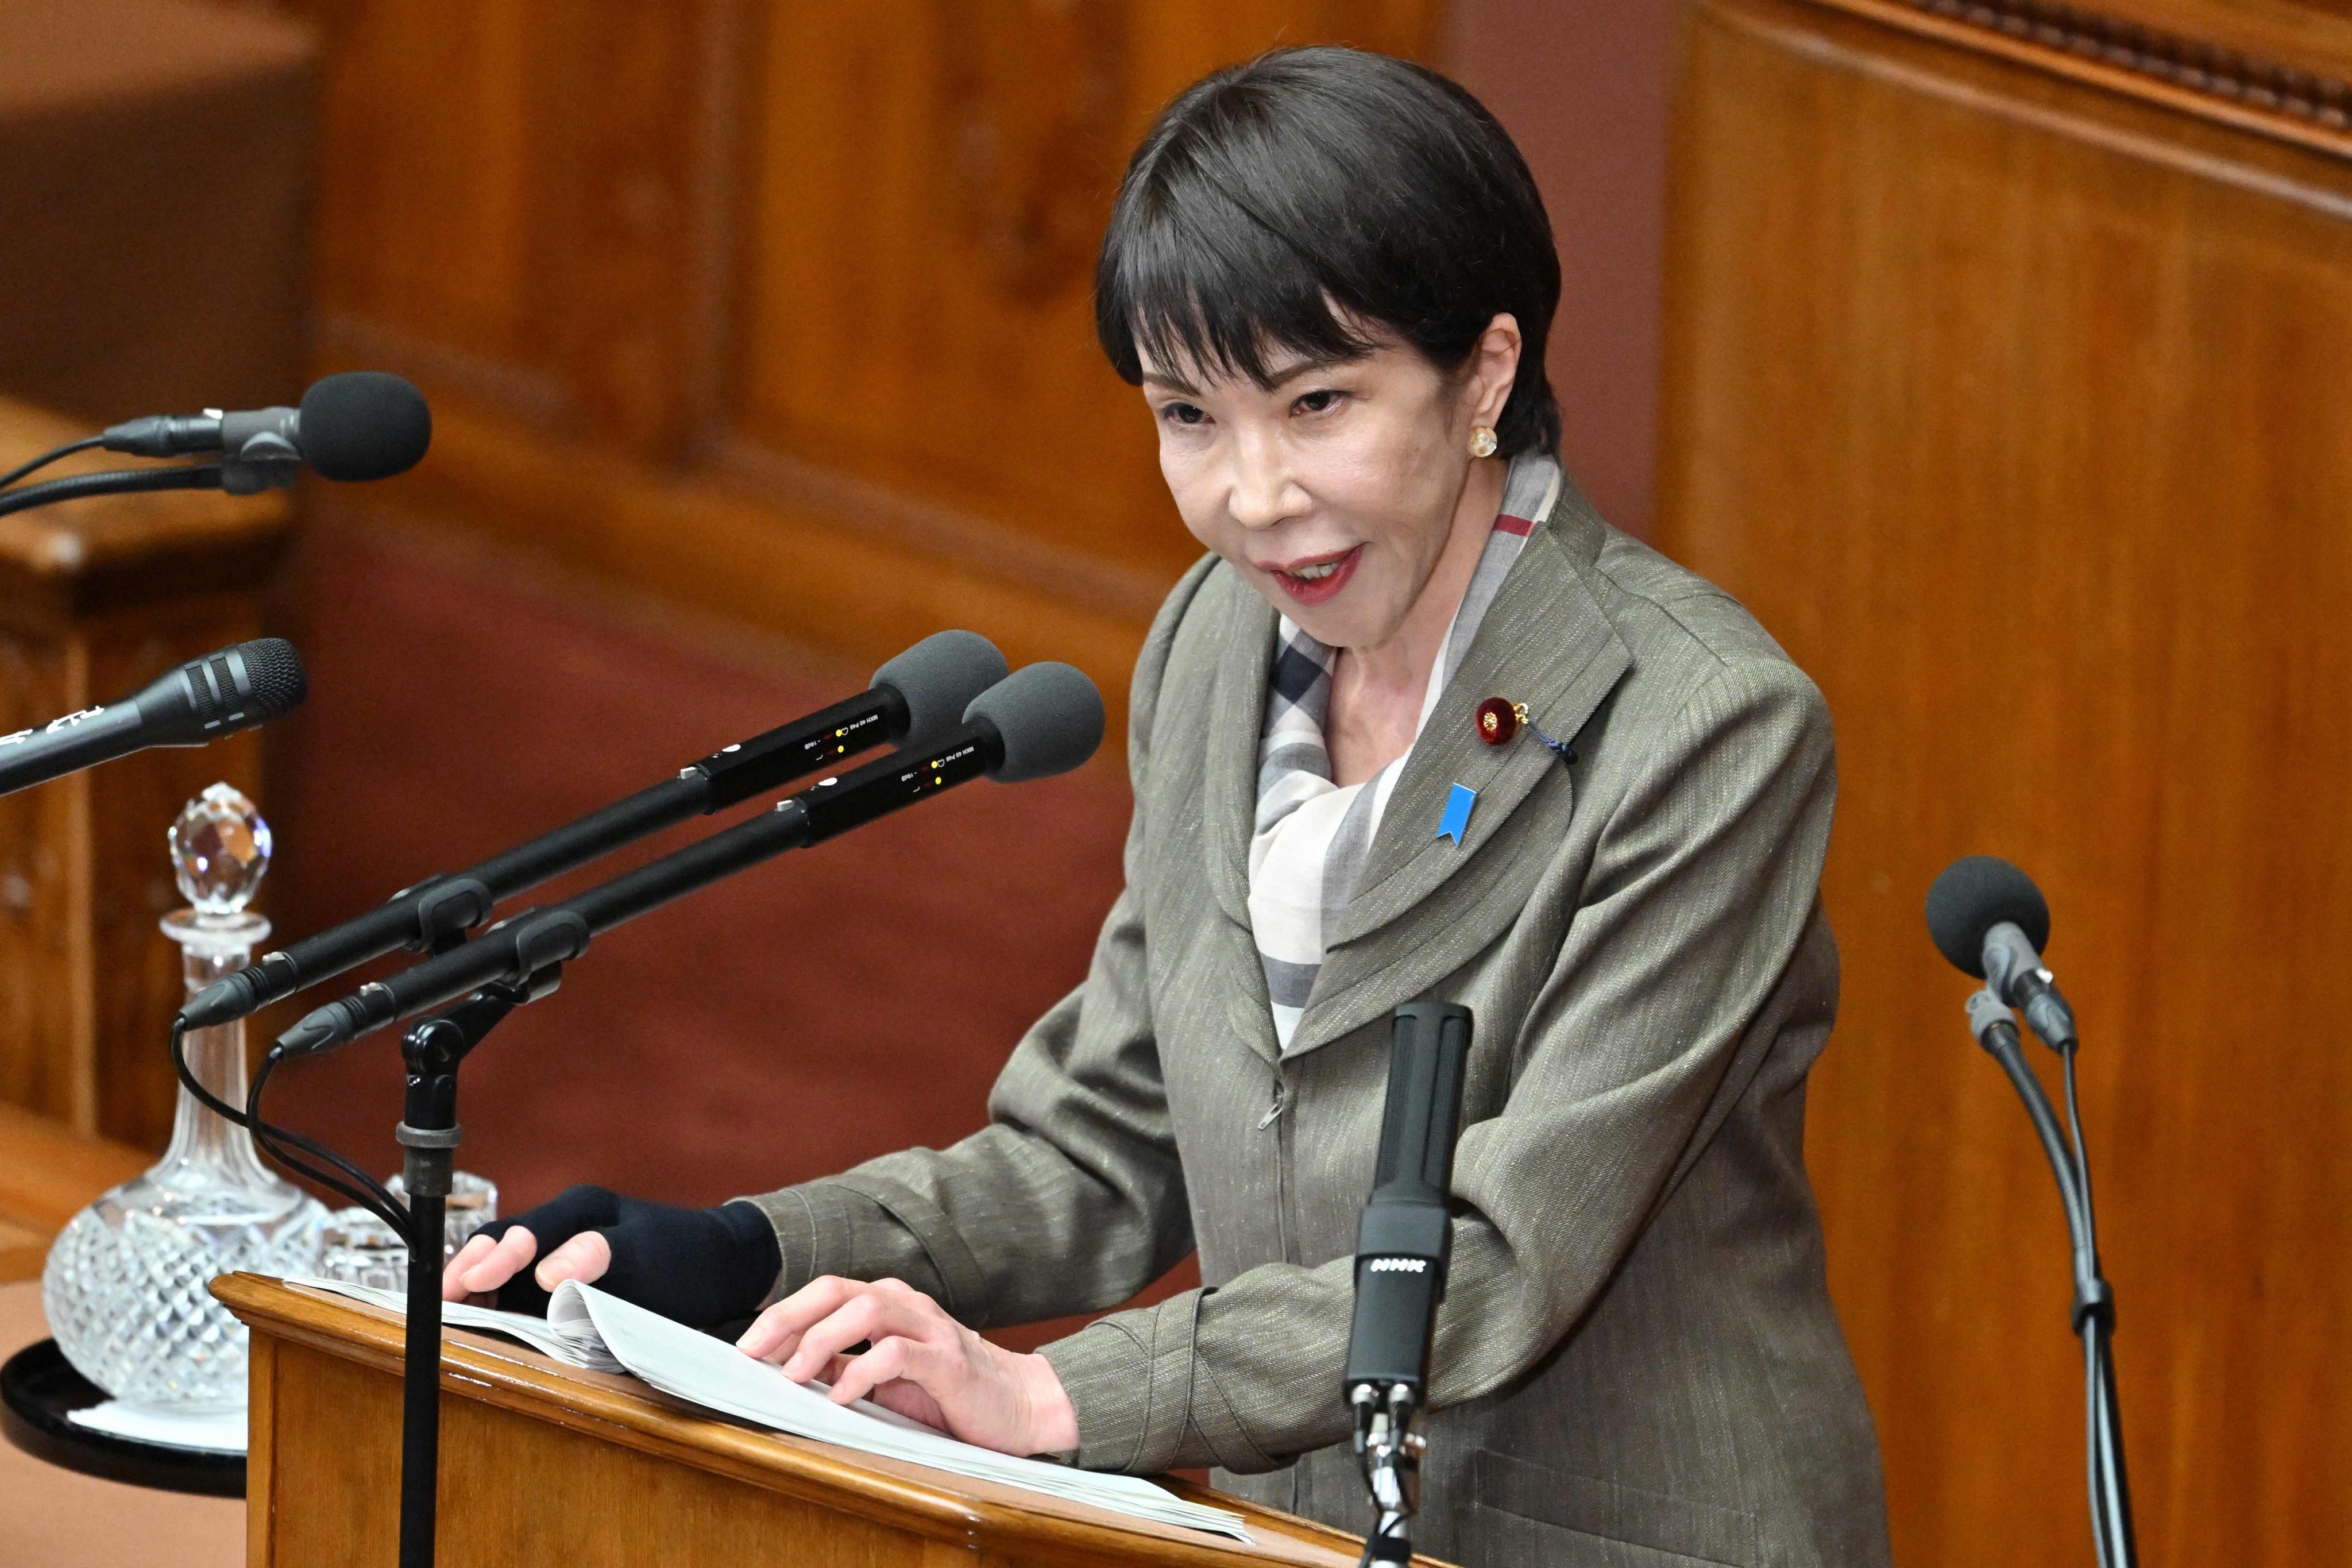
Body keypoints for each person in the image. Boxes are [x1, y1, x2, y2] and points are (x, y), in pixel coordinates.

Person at [446, 46, 1891, 1566]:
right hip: (1282, 1534)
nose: (1253, 496)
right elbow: (1100, 1149)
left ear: (1485, 373)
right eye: (1190, 415)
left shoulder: (1703, 726)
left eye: (1318, 402)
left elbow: (1496, 1261)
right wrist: (745, 1254)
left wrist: (1055, 1393)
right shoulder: (1218, 646)